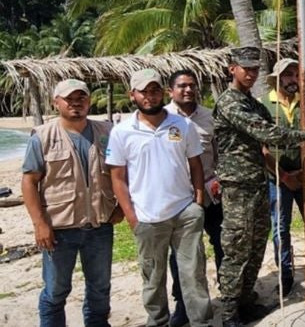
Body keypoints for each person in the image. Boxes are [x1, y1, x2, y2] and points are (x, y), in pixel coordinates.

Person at [213, 47, 305, 327]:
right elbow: (266, 133)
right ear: (232, 69)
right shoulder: (230, 102)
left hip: (256, 182)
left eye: (255, 68)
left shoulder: (253, 103)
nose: (251, 73)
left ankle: (245, 301)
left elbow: (267, 139)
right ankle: (229, 312)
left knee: (256, 246)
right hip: (238, 186)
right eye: (246, 68)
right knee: (237, 247)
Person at [106, 69, 213, 327]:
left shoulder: (182, 125)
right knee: (153, 279)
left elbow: (196, 164)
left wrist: (197, 202)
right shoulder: (121, 132)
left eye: (154, 90)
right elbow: (117, 178)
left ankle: (201, 322)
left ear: (163, 92)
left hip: (185, 213)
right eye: (144, 91)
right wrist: (132, 217)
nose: (149, 96)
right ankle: (158, 321)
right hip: (147, 218)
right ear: (132, 94)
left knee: (193, 275)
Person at [21, 79, 122, 327]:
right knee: (55, 292)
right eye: (69, 98)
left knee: (100, 289)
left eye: (81, 98)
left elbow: (121, 171)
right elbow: (29, 182)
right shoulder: (43, 137)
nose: (76, 103)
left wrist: (121, 206)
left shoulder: (106, 133)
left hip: (99, 227)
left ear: (88, 101)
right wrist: (39, 224)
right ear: (56, 102)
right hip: (59, 229)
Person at [164, 69, 223, 327]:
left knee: (223, 244)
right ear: (171, 90)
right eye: (182, 86)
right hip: (180, 198)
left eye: (192, 85)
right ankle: (182, 304)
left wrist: (219, 179)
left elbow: (220, 153)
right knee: (181, 255)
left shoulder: (209, 117)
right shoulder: (162, 119)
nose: (188, 90)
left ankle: (229, 293)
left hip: (211, 195)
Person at [260, 58, 305, 298]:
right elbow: (262, 148)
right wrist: (285, 175)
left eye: (296, 74)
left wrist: (303, 172)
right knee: (280, 229)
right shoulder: (263, 105)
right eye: (288, 75)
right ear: (277, 78)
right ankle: (285, 275)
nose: (293, 79)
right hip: (277, 178)